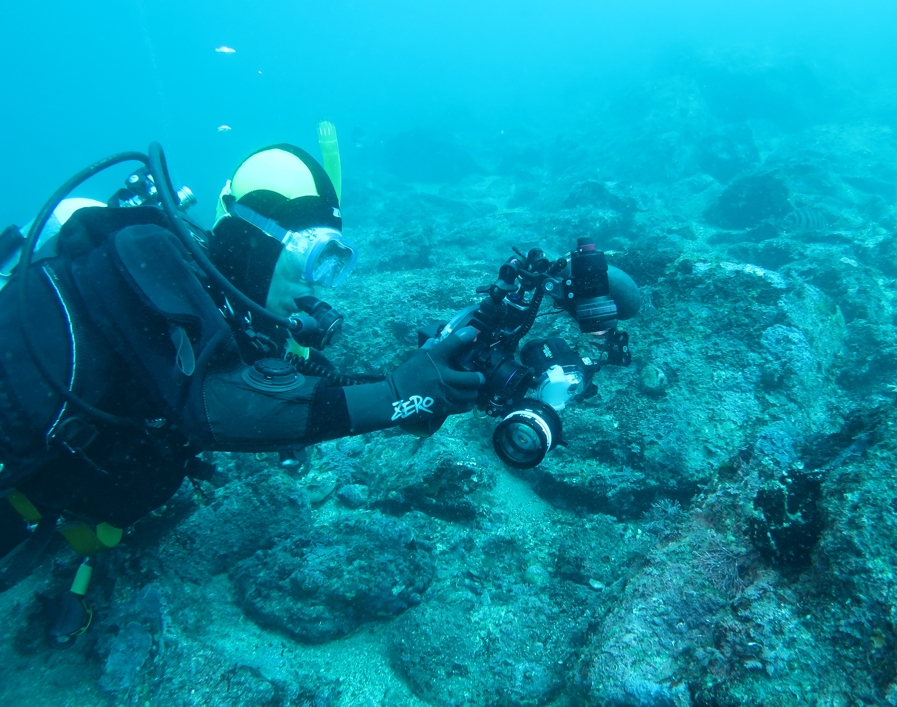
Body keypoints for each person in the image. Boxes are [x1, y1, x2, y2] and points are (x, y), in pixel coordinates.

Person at [0, 133, 485, 626]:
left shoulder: (227, 311)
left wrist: (418, 385)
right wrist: (394, 396)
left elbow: (287, 386)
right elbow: (223, 407)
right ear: (251, 241)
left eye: (333, 265)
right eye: (310, 257)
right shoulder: (144, 254)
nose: (316, 285)